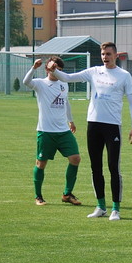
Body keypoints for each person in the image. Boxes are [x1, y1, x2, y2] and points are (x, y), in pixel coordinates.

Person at [49, 42, 132, 220]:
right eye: (103, 54)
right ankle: (100, 206)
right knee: (95, 167)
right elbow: (67, 77)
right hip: (94, 125)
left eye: (108, 54)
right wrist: (53, 71)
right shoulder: (94, 72)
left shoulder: (124, 76)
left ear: (116, 56)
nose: (105, 57)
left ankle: (116, 208)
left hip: (112, 126)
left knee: (113, 167)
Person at [24, 57, 81, 206]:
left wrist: (71, 120)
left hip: (63, 131)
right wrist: (33, 68)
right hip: (46, 131)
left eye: (60, 70)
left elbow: (66, 102)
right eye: (54, 68)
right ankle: (38, 196)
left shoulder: (64, 84)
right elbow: (26, 82)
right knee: (41, 163)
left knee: (75, 158)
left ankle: (67, 194)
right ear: (47, 69)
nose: (57, 72)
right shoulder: (40, 84)